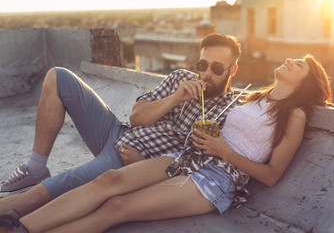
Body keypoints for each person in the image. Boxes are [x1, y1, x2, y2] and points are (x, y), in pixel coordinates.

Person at [0, 54, 334, 233]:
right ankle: (20, 225)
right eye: (293, 58)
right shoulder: (249, 98)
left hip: (216, 178)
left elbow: (272, 174)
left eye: (299, 64)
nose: (290, 61)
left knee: (117, 208)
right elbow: (153, 119)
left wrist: (223, 151)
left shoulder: (295, 115)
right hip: (187, 155)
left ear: (306, 81)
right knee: (109, 181)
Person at [0, 33, 241, 217]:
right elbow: (136, 117)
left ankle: (19, 204)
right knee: (59, 76)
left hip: (129, 159)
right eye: (202, 65)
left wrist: (143, 166)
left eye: (217, 68)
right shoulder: (181, 78)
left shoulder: (229, 111)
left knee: (68, 180)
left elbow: (194, 166)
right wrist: (175, 98)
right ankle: (35, 167)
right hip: (117, 132)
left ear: (233, 70)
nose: (207, 73)